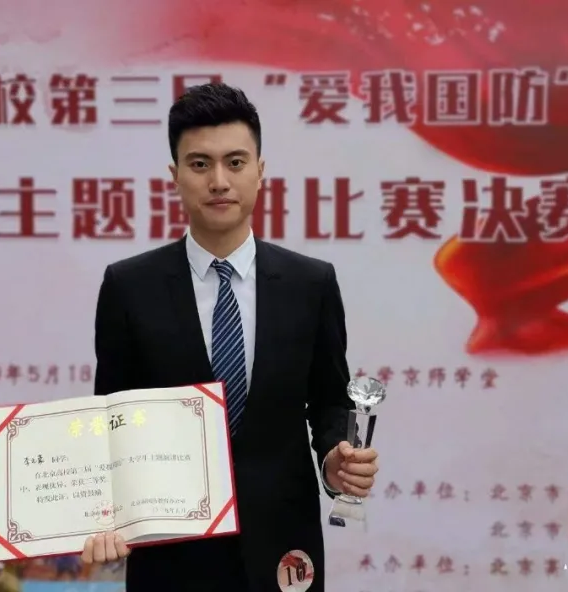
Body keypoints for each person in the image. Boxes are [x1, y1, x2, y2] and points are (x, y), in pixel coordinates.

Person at [82, 83, 380, 591]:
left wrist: (335, 459)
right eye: (200, 164)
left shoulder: (310, 284)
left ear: (260, 171)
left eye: (235, 162)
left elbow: (331, 399)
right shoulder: (129, 287)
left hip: (285, 551)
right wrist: (102, 513)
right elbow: (112, 419)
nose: (219, 181)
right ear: (175, 176)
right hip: (171, 557)